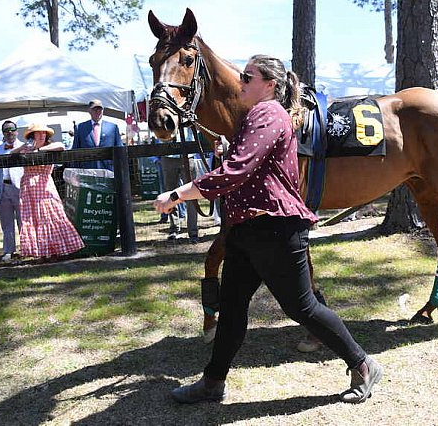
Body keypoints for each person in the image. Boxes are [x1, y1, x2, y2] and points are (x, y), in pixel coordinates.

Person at [154, 55, 383, 404]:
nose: (241, 81)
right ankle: (213, 382)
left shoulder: (268, 113)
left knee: (302, 308)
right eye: (243, 76)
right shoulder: (254, 117)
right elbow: (244, 165)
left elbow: (237, 171)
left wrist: (178, 194)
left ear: (270, 85)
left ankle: (363, 365)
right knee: (232, 307)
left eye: (248, 77)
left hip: (275, 227)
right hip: (249, 228)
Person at [12, 123, 84, 259]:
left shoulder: (51, 147)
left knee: (52, 215)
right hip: (28, 186)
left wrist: (39, 151)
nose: (41, 135)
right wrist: (23, 147)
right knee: (32, 218)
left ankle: (56, 250)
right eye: (37, 133)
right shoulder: (26, 150)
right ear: (32, 136)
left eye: (43, 133)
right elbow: (11, 153)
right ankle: (40, 252)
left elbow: (61, 146)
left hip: (45, 185)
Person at [160, 128, 205, 242]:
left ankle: (193, 232)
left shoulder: (187, 111)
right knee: (170, 195)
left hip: (188, 155)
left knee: (192, 194)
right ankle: (174, 228)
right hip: (168, 154)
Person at [0, 120, 24, 263]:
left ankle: (26, 248)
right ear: (3, 133)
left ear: (16, 131)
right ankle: (8, 251)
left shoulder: (24, 147)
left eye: (12, 129)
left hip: (21, 189)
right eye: (6, 130)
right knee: (6, 223)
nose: (9, 132)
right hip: (2, 188)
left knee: (23, 221)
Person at [72, 100, 123, 171]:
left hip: (109, 170)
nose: (97, 111)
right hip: (87, 171)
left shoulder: (113, 127)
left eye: (100, 109)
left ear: (103, 110)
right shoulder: (80, 128)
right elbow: (75, 151)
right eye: (94, 109)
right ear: (89, 111)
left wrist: (120, 171)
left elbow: (120, 150)